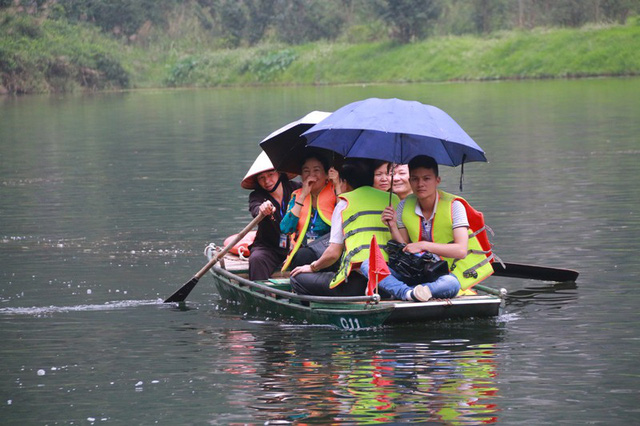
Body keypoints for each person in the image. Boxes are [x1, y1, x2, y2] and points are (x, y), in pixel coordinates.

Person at [360, 155, 494, 301]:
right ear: (410, 181)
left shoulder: (455, 206)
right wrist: (392, 225)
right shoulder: (403, 205)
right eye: (415, 179)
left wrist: (424, 245)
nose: (420, 184)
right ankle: (408, 293)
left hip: (442, 274)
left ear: (437, 180)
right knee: (368, 264)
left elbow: (461, 251)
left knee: (451, 284)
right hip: (412, 271)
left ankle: (407, 292)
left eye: (426, 178)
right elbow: (404, 246)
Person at [290, 159, 400, 297]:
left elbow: (333, 254)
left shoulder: (344, 204)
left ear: (345, 182)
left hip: (357, 282)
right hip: (389, 279)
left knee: (297, 278)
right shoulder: (393, 199)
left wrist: (312, 267)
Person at [242, 152, 301, 281]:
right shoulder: (257, 196)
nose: (267, 181)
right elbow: (255, 208)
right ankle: (260, 297)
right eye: (261, 178)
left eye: (270, 175)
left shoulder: (297, 189)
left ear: (279, 173)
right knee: (257, 259)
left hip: (296, 246)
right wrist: (262, 209)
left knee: (308, 256)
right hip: (269, 247)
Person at [280, 153, 341, 271]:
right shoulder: (297, 195)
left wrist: (337, 184)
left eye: (316, 170)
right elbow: (285, 229)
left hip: (330, 249)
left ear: (327, 175)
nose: (311, 175)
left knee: (304, 255)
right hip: (305, 251)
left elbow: (344, 217)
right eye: (306, 171)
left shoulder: (336, 191)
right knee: (302, 255)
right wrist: (303, 195)